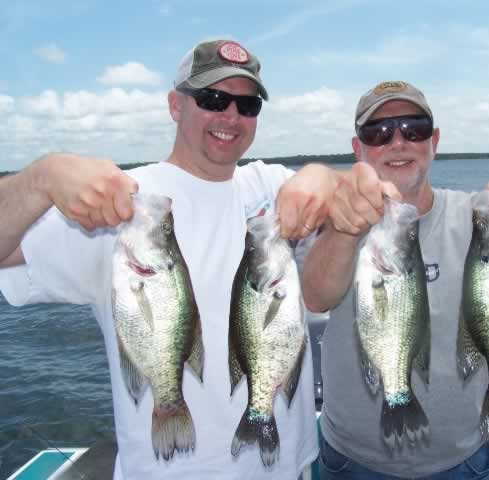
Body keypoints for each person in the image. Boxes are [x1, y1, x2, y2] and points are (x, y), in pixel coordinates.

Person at [0, 39, 342, 479]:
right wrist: (41, 178)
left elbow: (362, 197)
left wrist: (320, 176)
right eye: (213, 99)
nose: (231, 116)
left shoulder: (271, 185)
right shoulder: (114, 203)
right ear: (175, 105)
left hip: (286, 468)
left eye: (247, 104)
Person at [301, 80, 489, 480]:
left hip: (465, 460)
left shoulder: (479, 216)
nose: (398, 141)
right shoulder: (339, 223)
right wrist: (344, 232)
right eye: (378, 132)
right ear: (358, 148)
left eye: (414, 128)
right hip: (351, 462)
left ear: (435, 141)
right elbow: (315, 296)